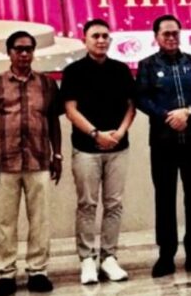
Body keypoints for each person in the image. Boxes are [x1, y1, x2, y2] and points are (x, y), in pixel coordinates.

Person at [0, 31, 63, 296]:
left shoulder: (47, 84)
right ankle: (6, 273)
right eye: (19, 49)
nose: (24, 54)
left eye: (29, 49)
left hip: (39, 160)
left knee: (40, 219)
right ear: (9, 53)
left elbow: (53, 121)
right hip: (4, 163)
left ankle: (38, 271)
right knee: (4, 222)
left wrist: (57, 155)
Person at [136, 14, 191, 278]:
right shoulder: (147, 65)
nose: (171, 37)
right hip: (163, 143)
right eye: (166, 33)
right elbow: (142, 98)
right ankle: (166, 254)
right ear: (156, 37)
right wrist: (168, 116)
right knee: (165, 198)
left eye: (175, 33)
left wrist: (188, 111)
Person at [61, 19, 136, 284]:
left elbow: (131, 106)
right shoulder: (73, 71)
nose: (101, 40)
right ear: (85, 40)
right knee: (87, 205)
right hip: (86, 149)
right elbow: (70, 110)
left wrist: (120, 132)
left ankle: (109, 257)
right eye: (95, 36)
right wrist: (95, 134)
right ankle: (87, 259)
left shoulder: (121, 70)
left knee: (114, 204)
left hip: (118, 147)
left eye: (105, 36)